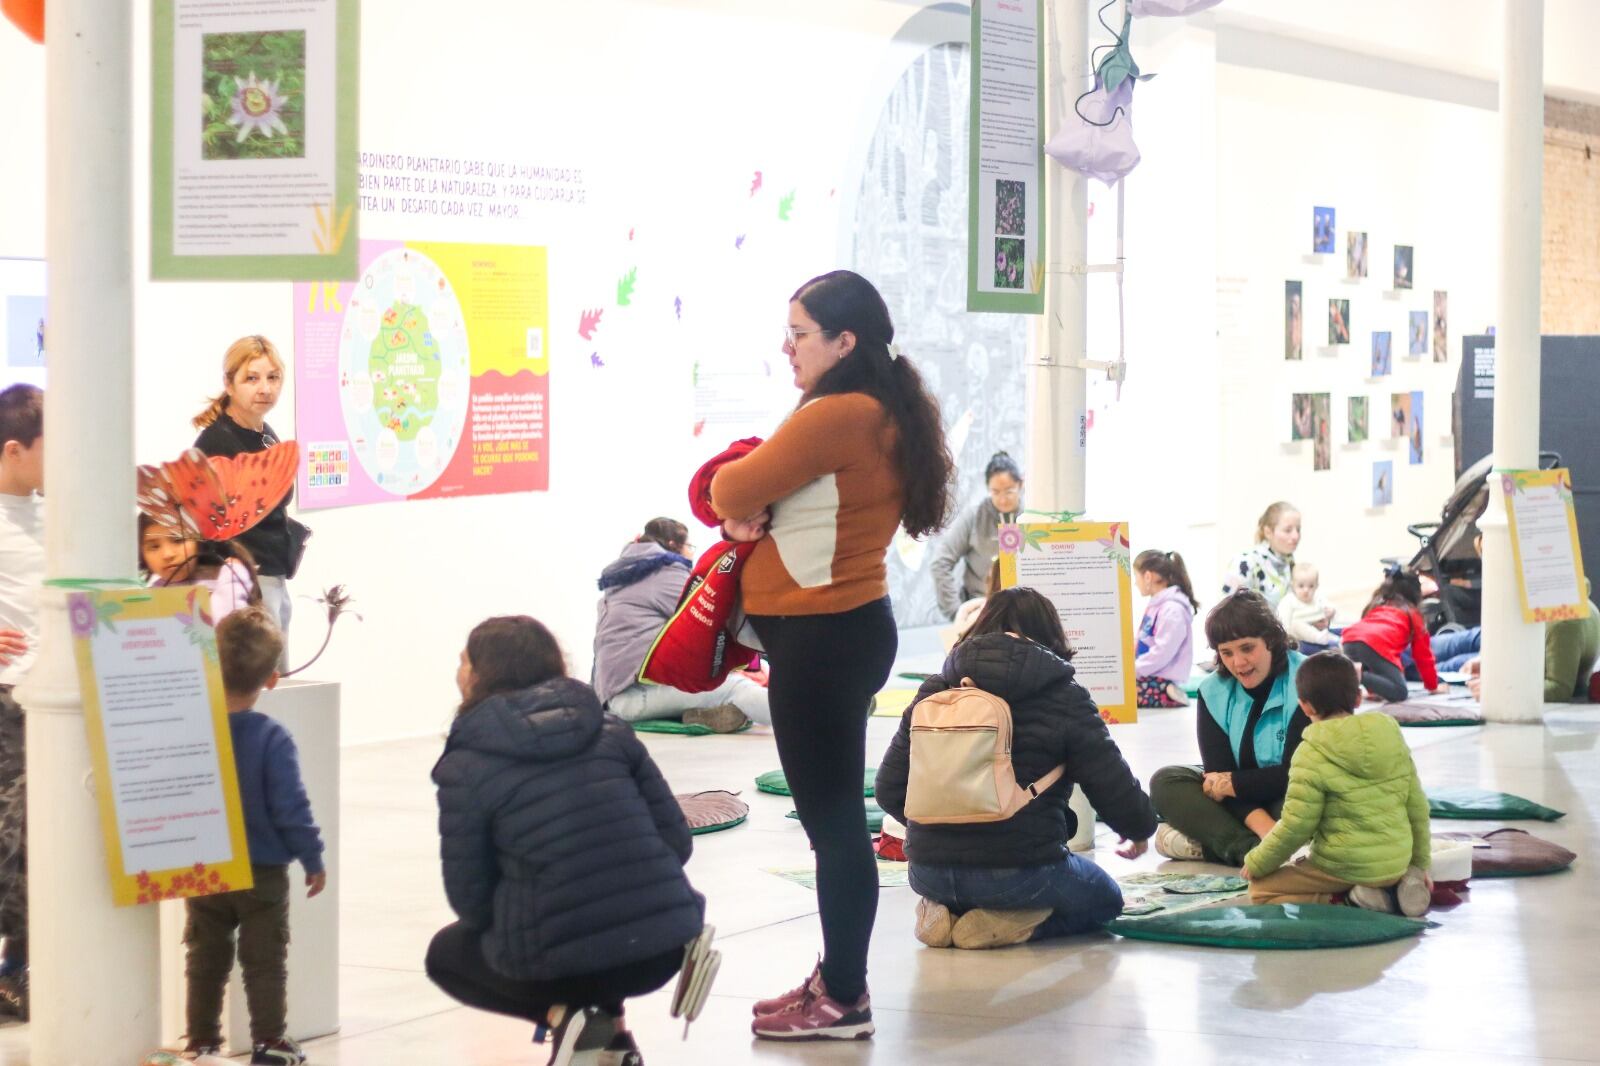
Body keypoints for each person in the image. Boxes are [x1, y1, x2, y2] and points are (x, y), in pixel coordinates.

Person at [709, 269, 952, 1041]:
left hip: (822, 638)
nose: (788, 348)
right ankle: (837, 980)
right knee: (834, 819)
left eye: (800, 334)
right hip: (841, 631)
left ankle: (845, 996)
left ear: (844, 342)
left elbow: (730, 486)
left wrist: (740, 501)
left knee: (835, 825)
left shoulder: (839, 413)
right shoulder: (870, 408)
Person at [427, 616, 705, 1066]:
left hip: (560, 965)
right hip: (663, 947)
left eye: (463, 661)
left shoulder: (466, 763)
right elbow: (677, 840)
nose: (457, 671)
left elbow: (470, 900)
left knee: (448, 954)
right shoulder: (612, 731)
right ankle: (609, 1039)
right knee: (592, 925)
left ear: (482, 674)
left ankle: (567, 1017)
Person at [875, 588, 1156, 949]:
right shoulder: (1063, 693)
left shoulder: (937, 687)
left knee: (968, 884)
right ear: (1051, 634)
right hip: (1018, 874)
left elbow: (887, 788)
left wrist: (942, 829)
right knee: (1106, 899)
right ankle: (1014, 926)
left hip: (927, 873)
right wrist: (1139, 828)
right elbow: (1109, 779)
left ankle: (948, 915)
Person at [184, 607, 324, 1066]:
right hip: (261, 872)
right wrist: (312, 857)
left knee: (205, 958)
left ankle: (202, 1042)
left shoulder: (190, 730)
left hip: (203, 865)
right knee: (264, 961)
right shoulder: (272, 738)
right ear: (272, 679)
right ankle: (269, 1042)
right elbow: (291, 808)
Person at [1242, 652, 1432, 916]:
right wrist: (1419, 866)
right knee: (1385, 867)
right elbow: (1418, 808)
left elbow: (1297, 825)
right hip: (1396, 862)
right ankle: (1397, 886)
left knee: (1260, 890)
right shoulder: (1390, 735)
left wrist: (1257, 862)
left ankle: (1347, 899)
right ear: (1358, 697)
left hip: (1343, 866)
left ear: (1305, 706)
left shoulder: (1310, 752)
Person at [1149, 591, 1309, 866]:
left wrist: (1232, 784)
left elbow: (1296, 774)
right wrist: (1269, 833)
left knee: (1303, 802)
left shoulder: (1305, 680)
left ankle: (1210, 843)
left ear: (1271, 641)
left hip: (1291, 793)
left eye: (1247, 648)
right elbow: (1216, 780)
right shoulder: (1212, 692)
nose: (1238, 662)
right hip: (1244, 802)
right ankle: (1255, 850)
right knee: (1166, 782)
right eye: (1227, 653)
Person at [594, 517, 769, 732]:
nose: (691, 553)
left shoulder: (624, 574)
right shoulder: (665, 573)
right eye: (689, 546)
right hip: (635, 695)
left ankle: (700, 714)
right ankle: (813, 726)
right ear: (673, 545)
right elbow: (708, 622)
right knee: (737, 687)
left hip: (614, 698)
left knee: (734, 679)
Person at [193, 336, 308, 653]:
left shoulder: (266, 435)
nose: (265, 389)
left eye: (273, 378)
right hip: (241, 584)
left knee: (277, 679)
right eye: (252, 379)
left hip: (273, 575)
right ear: (229, 384)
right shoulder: (216, 443)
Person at [0, 384, 41, 1015]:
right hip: (9, 702)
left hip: (57, 694)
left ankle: (27, 962)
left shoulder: (57, 510)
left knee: (44, 835)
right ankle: (14, 964)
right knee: (13, 834)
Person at [928, 451, 1022, 621]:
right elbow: (940, 562)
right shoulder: (974, 516)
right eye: (995, 492)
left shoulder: (1030, 518)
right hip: (980, 610)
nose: (1002, 500)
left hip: (1020, 611)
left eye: (1009, 491)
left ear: (1020, 485)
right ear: (987, 488)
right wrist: (956, 612)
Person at [138, 512, 262, 623]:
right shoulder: (149, 596)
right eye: (154, 546)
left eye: (178, 540)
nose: (167, 554)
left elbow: (226, 628)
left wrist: (232, 579)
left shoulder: (227, 579)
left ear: (198, 540)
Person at [1340, 568, 1437, 703]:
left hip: (1349, 640)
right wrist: (1433, 686)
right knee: (1400, 692)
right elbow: (1423, 656)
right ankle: (1356, 675)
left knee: (1372, 666)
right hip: (1373, 642)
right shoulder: (1413, 613)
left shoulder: (1374, 605)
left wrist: (1376, 689)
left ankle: (1355, 674)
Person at [1133, 549, 1198, 708]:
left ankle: (1168, 693)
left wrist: (1135, 669)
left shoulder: (1172, 609)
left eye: (1136, 577)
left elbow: (1163, 652)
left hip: (1159, 679)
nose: (1135, 583)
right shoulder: (1158, 605)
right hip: (1148, 675)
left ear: (1148, 576)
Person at [1222, 502, 1300, 609]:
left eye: (1298, 530)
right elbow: (1228, 612)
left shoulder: (1289, 563)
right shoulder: (1246, 561)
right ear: (1268, 532)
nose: (1296, 536)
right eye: (1288, 530)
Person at [1276, 562, 1338, 652]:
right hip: (1299, 637)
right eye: (1301, 586)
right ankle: (1320, 638)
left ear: (1317, 586)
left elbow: (1329, 607)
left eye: (1311, 586)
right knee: (1296, 624)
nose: (1306, 590)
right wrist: (1287, 637)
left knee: (1337, 631)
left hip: (1320, 629)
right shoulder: (1289, 600)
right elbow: (1283, 619)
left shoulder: (1318, 598)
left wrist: (1331, 612)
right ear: (1293, 585)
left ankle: (1332, 639)